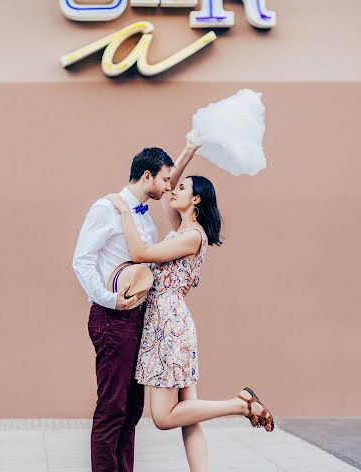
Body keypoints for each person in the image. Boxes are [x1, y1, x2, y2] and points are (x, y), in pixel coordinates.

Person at [106, 173, 274, 472]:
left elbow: (140, 253)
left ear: (195, 200)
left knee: (164, 417)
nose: (173, 190)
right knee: (189, 414)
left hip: (168, 324)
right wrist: (189, 147)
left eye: (182, 188)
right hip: (169, 321)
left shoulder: (192, 236)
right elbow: (170, 188)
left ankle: (239, 404)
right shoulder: (180, 229)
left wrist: (124, 211)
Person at [72, 143, 199, 472]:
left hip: (138, 320)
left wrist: (189, 149)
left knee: (131, 410)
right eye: (165, 179)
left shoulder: (146, 221)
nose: (168, 186)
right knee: (111, 408)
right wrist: (109, 298)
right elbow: (82, 261)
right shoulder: (105, 208)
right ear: (147, 176)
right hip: (112, 318)